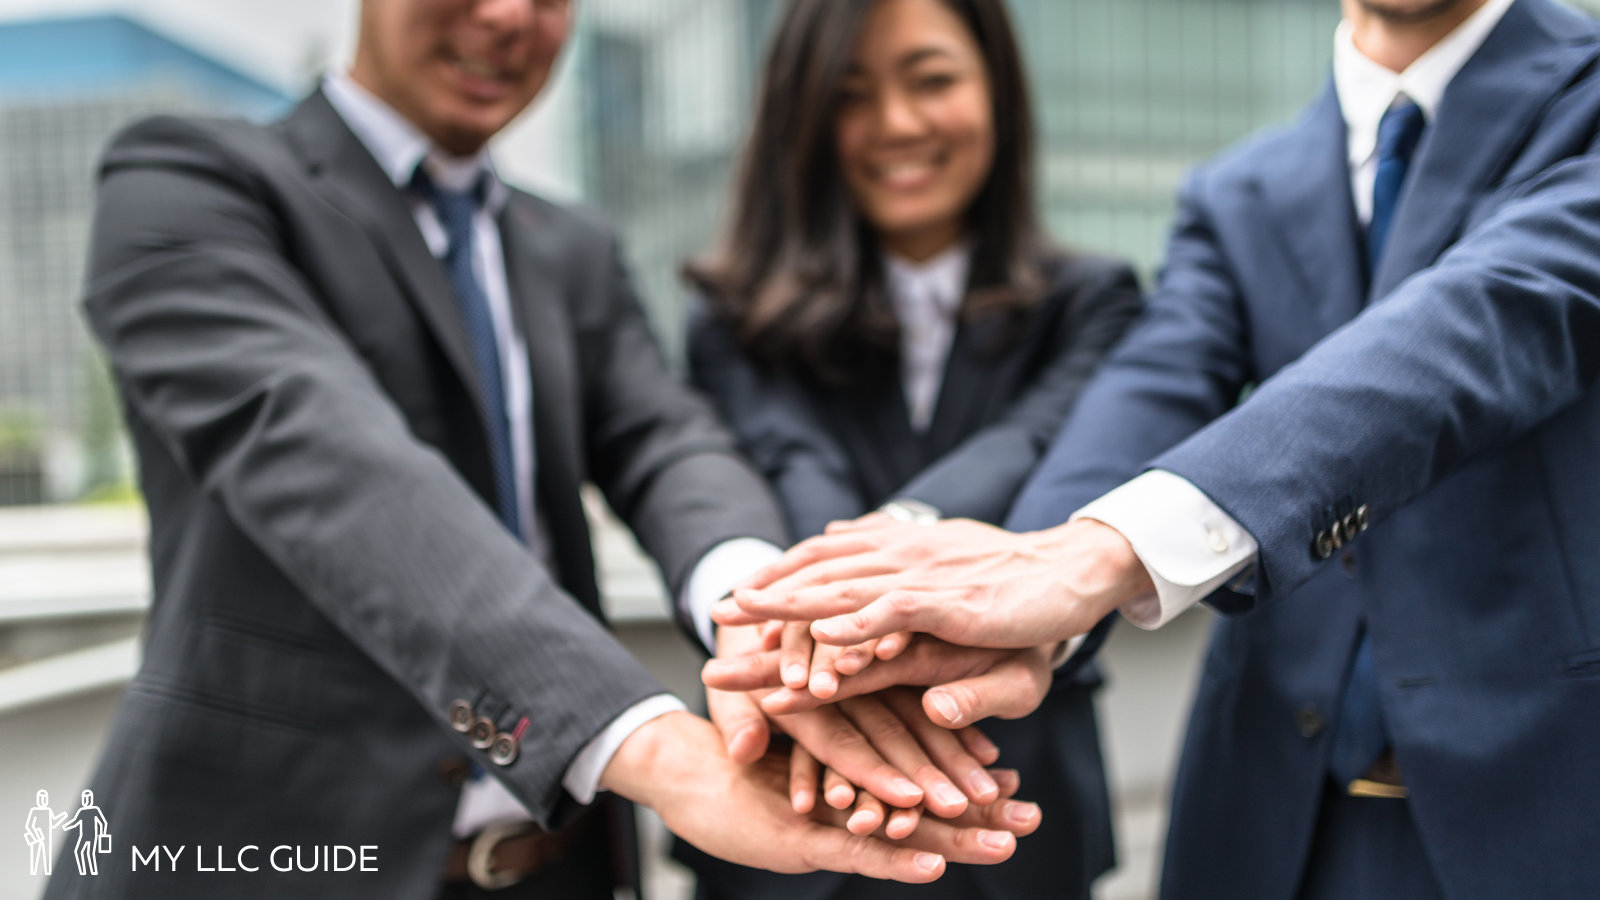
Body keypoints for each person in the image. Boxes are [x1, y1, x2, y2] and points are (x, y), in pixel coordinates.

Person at [49, 1, 1030, 897]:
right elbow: (332, 467)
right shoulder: (188, 184)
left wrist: (762, 614)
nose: (510, 15)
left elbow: (667, 441)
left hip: (557, 866)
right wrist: (648, 745)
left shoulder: (571, 250)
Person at [719, 0, 1600, 897]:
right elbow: (1150, 390)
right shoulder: (1239, 189)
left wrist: (1090, 560)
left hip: (1552, 800)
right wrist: (1031, 594)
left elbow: (1494, 312)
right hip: (1274, 818)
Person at [680, 0, 1142, 898]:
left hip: (1017, 802)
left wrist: (897, 539)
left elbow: (1044, 445)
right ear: (802, 118)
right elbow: (788, 459)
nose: (897, 124)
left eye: (931, 80)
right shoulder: (735, 319)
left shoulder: (1093, 302)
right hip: (788, 804)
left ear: (996, 92)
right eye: (851, 95)